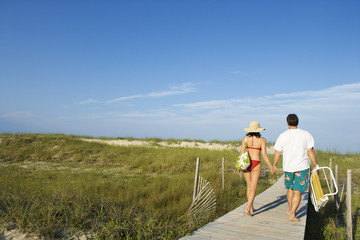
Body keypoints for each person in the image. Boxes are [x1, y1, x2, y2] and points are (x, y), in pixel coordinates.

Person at [273, 114, 318, 222]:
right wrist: (315, 164)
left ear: (287, 122)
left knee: (290, 189)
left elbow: (277, 151)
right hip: (302, 167)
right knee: (298, 191)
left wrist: (274, 164)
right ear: (297, 122)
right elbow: (310, 151)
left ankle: (290, 209)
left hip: (288, 167)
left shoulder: (283, 135)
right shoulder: (306, 134)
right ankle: (292, 214)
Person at [240, 121, 276, 217]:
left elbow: (241, 153)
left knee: (249, 186)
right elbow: (264, 155)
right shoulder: (262, 140)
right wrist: (271, 167)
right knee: (253, 188)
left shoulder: (245, 139)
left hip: (246, 163)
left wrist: (239, 166)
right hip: (256, 163)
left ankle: (251, 207)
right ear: (259, 130)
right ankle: (248, 209)